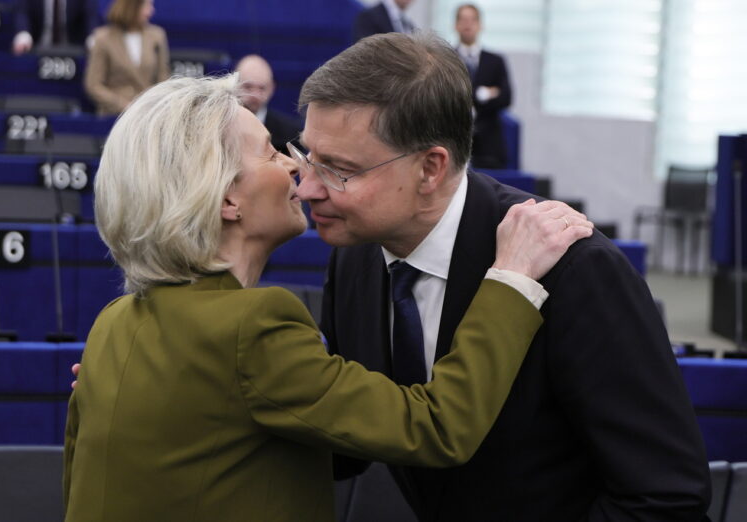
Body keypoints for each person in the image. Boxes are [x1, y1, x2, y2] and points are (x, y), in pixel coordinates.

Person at [62, 73, 592, 522]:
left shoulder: (112, 325)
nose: (297, 168)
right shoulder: (253, 325)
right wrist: (512, 278)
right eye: (270, 152)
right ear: (226, 198)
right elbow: (436, 427)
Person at [295, 32, 711, 521]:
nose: (306, 189)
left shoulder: (575, 269)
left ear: (431, 168)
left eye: (338, 170)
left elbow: (666, 496)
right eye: (307, 158)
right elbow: (351, 444)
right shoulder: (356, 256)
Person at [83, 0, 169, 116]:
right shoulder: (103, 38)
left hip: (147, 113)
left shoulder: (157, 36)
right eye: (146, 6)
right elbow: (94, 85)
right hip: (114, 116)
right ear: (131, 7)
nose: (151, 11)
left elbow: (163, 80)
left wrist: (150, 105)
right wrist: (123, 105)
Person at [455, 3, 512, 169]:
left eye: (472, 20)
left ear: (480, 25)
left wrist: (471, 98)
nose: (468, 24)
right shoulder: (447, 59)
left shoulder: (495, 61)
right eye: (463, 20)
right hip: (456, 138)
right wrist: (484, 94)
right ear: (456, 25)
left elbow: (506, 97)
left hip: (489, 144)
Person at [235, 54, 302, 155]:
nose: (255, 95)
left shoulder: (290, 135)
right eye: (248, 87)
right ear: (234, 84)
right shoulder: (218, 127)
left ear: (272, 88)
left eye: (262, 88)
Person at [12, 0, 98, 55]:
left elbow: (90, 15)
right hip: (37, 47)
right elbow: (22, 12)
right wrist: (23, 33)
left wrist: (92, 37)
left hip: (74, 49)